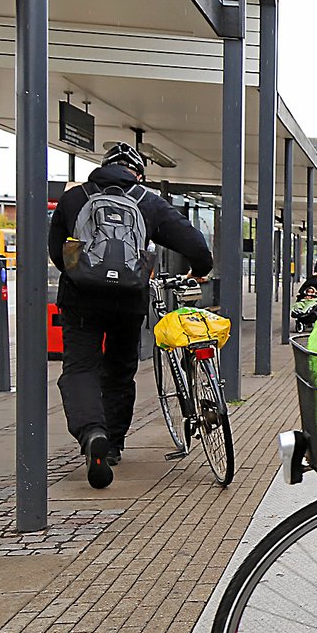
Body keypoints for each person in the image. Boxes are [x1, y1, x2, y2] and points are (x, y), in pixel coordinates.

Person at [48, 142, 213, 489]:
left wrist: (84, 275)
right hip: (128, 299)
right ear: (137, 173)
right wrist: (201, 269)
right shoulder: (147, 201)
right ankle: (114, 444)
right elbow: (195, 245)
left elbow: (56, 251)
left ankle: (92, 432)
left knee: (80, 368)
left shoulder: (75, 198)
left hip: (81, 299)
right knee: (120, 370)